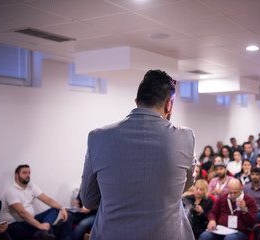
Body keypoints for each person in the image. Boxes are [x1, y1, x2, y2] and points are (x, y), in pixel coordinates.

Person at [80, 70, 196, 240]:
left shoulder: (98, 136)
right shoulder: (185, 136)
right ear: (169, 104)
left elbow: (89, 200)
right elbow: (185, 186)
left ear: (136, 102)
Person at [2, 165, 68, 240]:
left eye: (29, 173)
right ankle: (44, 232)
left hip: (30, 221)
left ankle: (44, 232)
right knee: (34, 233)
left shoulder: (31, 187)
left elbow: (47, 200)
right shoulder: (11, 191)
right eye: (24, 173)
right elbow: (22, 213)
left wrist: (62, 208)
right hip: (15, 224)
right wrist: (40, 225)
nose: (28, 175)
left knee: (55, 209)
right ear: (16, 175)